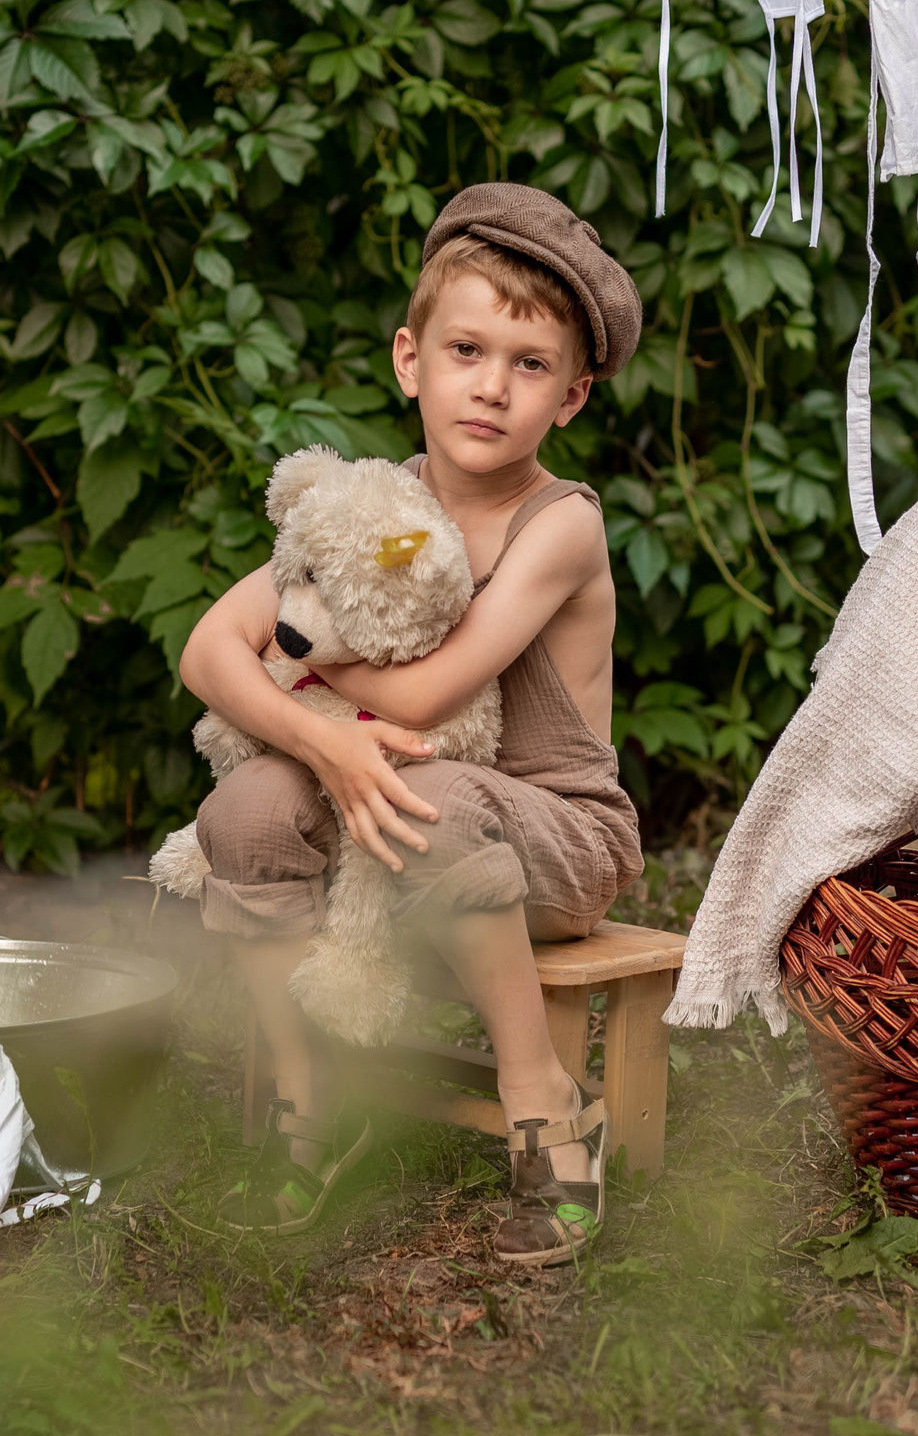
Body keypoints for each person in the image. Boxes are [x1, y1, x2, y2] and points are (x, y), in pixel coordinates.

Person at [176, 183, 646, 1266]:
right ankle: (314, 1095)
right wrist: (321, 738)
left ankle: (546, 1099)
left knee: (424, 793)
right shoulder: (371, 504)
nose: (490, 388)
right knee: (244, 807)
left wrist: (297, 672)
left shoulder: (559, 524)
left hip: (555, 838)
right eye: (466, 350)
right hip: (383, 814)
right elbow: (207, 649)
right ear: (409, 359)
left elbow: (431, 694)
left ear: (570, 397)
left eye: (529, 366)